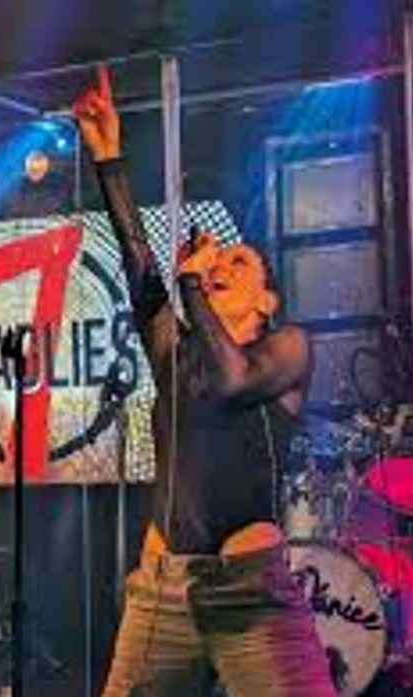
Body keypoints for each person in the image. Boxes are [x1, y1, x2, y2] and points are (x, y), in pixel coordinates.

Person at [73, 67, 336, 696]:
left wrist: (192, 282)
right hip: (163, 588)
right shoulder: (179, 354)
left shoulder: (289, 349)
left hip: (251, 592)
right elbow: (140, 266)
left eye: (238, 262)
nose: (221, 264)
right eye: (218, 260)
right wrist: (109, 158)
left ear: (267, 300)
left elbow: (232, 381)